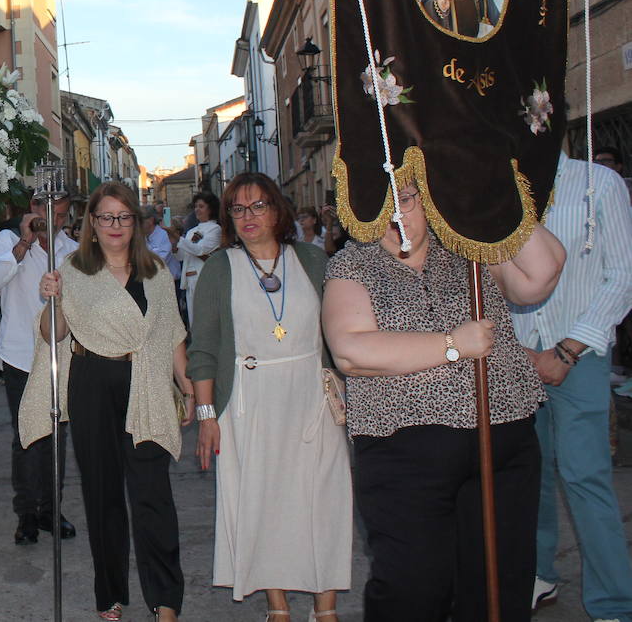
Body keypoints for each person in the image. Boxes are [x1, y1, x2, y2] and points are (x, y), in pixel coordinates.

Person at [322, 180, 565, 620]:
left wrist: (481, 185)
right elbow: (352, 351)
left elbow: (541, 274)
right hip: (405, 457)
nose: (396, 215)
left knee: (500, 587)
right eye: (382, 203)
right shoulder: (354, 263)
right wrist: (453, 345)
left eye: (406, 199)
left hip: (502, 442)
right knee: (413, 590)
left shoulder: (470, 246)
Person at [189, 173, 351, 619]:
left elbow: (340, 328)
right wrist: (206, 415)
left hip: (311, 395)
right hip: (249, 399)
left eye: (258, 205)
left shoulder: (312, 260)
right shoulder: (220, 268)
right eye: (238, 209)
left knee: (324, 498)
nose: (248, 216)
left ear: (277, 210)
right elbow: (203, 349)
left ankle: (326, 607)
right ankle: (277, 606)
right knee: (263, 502)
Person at [31, 181, 192, 622]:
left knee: (153, 496)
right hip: (92, 383)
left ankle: (165, 599)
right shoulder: (73, 270)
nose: (115, 225)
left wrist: (186, 385)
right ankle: (110, 593)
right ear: (92, 223)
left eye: (123, 216)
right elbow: (53, 334)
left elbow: (172, 333)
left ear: (135, 222)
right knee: (102, 495)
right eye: (106, 217)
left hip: (147, 384)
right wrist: (52, 299)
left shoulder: (155, 271)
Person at [510, 152, 632, 620]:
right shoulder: (498, 186)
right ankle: (539, 574)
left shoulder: (597, 183)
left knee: (585, 476)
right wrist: (516, 348)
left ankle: (614, 602)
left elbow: (622, 276)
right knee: (529, 476)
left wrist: (567, 350)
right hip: (519, 355)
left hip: (580, 354)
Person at [0, 189, 78, 545]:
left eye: (62, 215)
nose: (56, 223)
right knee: (26, 437)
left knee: (57, 435)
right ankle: (25, 513)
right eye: (50, 214)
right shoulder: (8, 241)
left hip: (60, 354)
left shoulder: (70, 249)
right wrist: (24, 243)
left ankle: (51, 509)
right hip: (20, 354)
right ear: (34, 209)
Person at [176, 192, 221, 328]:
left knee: (206, 319)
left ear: (211, 209)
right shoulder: (191, 231)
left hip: (204, 278)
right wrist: (174, 246)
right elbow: (182, 256)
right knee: (193, 320)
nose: (197, 210)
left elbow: (200, 250)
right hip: (190, 280)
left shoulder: (215, 229)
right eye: (195, 206)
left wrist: (177, 238)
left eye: (201, 206)